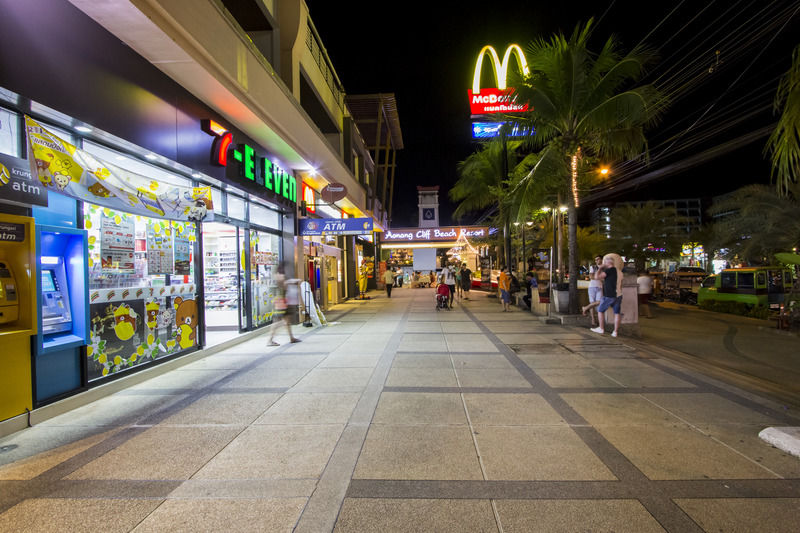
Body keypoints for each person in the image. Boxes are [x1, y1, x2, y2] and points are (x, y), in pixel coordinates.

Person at [268, 263, 300, 346]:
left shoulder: (279, 274)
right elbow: (282, 285)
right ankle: (270, 340)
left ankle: (291, 338)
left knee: (287, 321)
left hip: (284, 301)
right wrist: (289, 282)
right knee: (279, 322)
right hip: (280, 302)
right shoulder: (278, 275)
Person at [591, 254, 623, 337]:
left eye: (604, 261)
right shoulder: (620, 272)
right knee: (617, 313)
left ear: (607, 262)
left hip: (609, 295)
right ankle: (615, 332)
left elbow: (596, 277)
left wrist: (600, 268)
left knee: (600, 311)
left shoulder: (609, 270)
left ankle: (601, 328)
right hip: (619, 295)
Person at [582, 255, 604, 327]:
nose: (596, 261)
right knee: (592, 303)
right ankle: (593, 320)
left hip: (600, 287)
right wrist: (599, 277)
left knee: (599, 302)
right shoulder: (593, 267)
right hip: (592, 287)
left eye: (598, 259)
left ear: (601, 259)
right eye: (595, 260)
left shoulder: (604, 268)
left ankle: (585, 308)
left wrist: (597, 276)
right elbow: (591, 276)